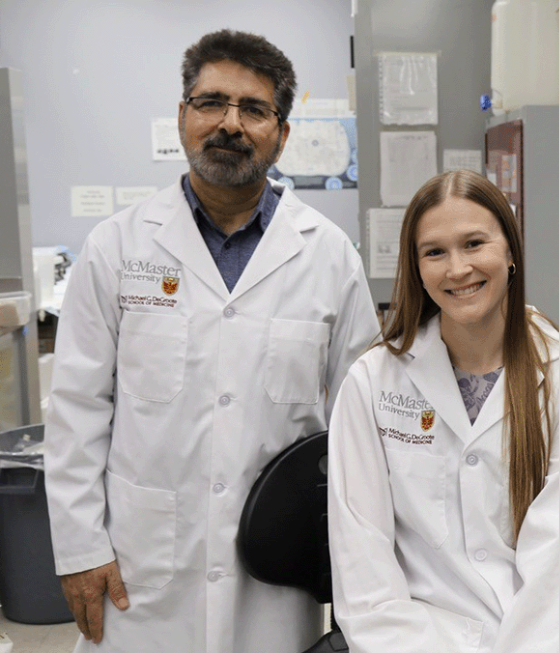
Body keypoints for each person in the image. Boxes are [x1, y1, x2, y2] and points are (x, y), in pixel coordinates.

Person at [44, 29, 378, 653]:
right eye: (211, 103)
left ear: (281, 132)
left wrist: (362, 566)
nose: (230, 124)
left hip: (276, 572)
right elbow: (76, 412)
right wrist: (81, 548)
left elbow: (361, 423)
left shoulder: (331, 258)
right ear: (182, 116)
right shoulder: (117, 248)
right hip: (141, 572)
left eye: (253, 109)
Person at [327, 169, 559, 653]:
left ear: (509, 250)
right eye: (434, 252)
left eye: (474, 243)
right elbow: (363, 565)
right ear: (416, 267)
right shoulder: (372, 381)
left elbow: (555, 567)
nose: (457, 269)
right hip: (409, 638)